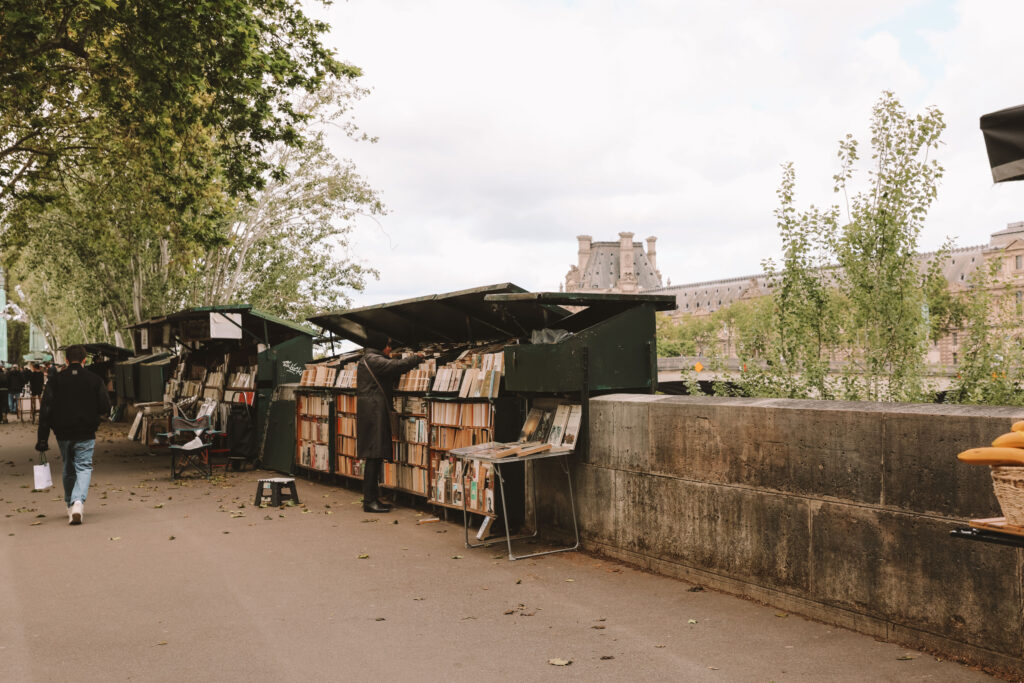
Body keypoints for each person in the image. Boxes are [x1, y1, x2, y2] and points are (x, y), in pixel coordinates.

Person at [35, 345, 111, 525]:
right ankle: (78, 502)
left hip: (62, 433)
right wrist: (95, 419)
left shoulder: (55, 381)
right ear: (85, 360)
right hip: (86, 432)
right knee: (84, 466)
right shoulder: (95, 380)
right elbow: (105, 407)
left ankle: (70, 504)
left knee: (68, 466)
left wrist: (42, 438)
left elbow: (45, 410)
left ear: (67, 361)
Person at [356, 339, 424, 513]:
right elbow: (395, 367)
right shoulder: (373, 359)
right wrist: (416, 358)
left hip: (372, 411)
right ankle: (370, 501)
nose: (389, 348)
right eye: (387, 345)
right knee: (374, 455)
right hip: (374, 412)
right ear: (380, 346)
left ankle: (372, 498)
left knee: (375, 456)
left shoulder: (368, 358)